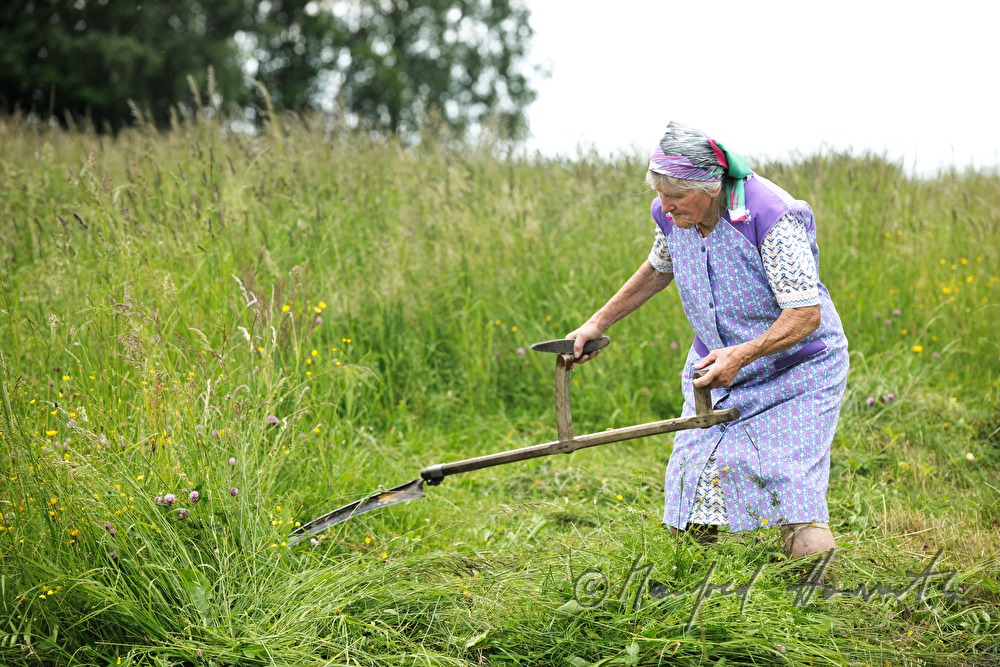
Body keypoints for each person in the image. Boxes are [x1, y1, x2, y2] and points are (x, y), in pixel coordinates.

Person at [567, 121, 849, 559]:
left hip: (796, 371)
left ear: (711, 187)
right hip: (717, 369)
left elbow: (805, 314)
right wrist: (597, 323)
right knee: (691, 480)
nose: (666, 206)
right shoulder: (672, 216)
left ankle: (817, 607)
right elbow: (660, 267)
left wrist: (743, 354)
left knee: (790, 487)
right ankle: (692, 595)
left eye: (676, 197)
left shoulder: (771, 215)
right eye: (659, 194)